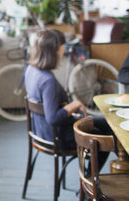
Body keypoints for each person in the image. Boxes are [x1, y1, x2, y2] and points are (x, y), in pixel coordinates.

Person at [24, 29, 113, 167]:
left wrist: (68, 108)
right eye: (62, 44)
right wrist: (74, 105)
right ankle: (89, 180)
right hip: (58, 136)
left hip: (40, 131)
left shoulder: (31, 69)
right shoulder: (48, 80)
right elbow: (53, 118)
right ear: (56, 49)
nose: (64, 47)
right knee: (105, 135)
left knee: (103, 123)